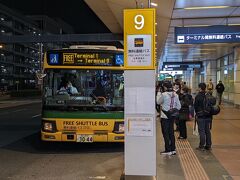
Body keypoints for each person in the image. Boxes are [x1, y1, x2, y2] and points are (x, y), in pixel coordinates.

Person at [157, 81, 181, 155]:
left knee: (165, 133)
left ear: (165, 87)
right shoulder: (175, 95)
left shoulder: (163, 94)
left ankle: (168, 150)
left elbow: (158, 102)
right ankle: (173, 149)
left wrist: (158, 93)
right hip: (172, 116)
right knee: (171, 133)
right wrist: (172, 110)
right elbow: (179, 107)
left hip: (165, 116)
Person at [194, 83, 212, 151]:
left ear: (200, 88)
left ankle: (201, 146)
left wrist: (197, 113)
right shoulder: (208, 95)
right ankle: (208, 145)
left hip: (201, 116)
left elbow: (195, 106)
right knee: (207, 131)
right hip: (208, 116)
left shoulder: (198, 96)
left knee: (201, 131)